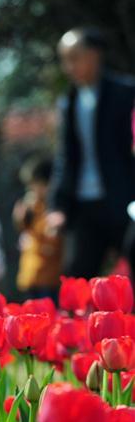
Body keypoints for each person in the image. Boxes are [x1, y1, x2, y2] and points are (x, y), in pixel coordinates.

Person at [47, 27, 135, 278]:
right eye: (64, 59)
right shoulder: (69, 102)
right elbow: (65, 157)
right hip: (84, 205)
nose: (68, 66)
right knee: (78, 277)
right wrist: (58, 206)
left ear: (95, 55)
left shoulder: (126, 94)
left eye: (74, 57)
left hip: (124, 200)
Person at [13, 156, 62, 299]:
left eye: (35, 184)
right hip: (30, 274)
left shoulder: (54, 207)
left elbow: (51, 238)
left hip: (48, 277)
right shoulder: (31, 206)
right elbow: (24, 230)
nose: (32, 189)